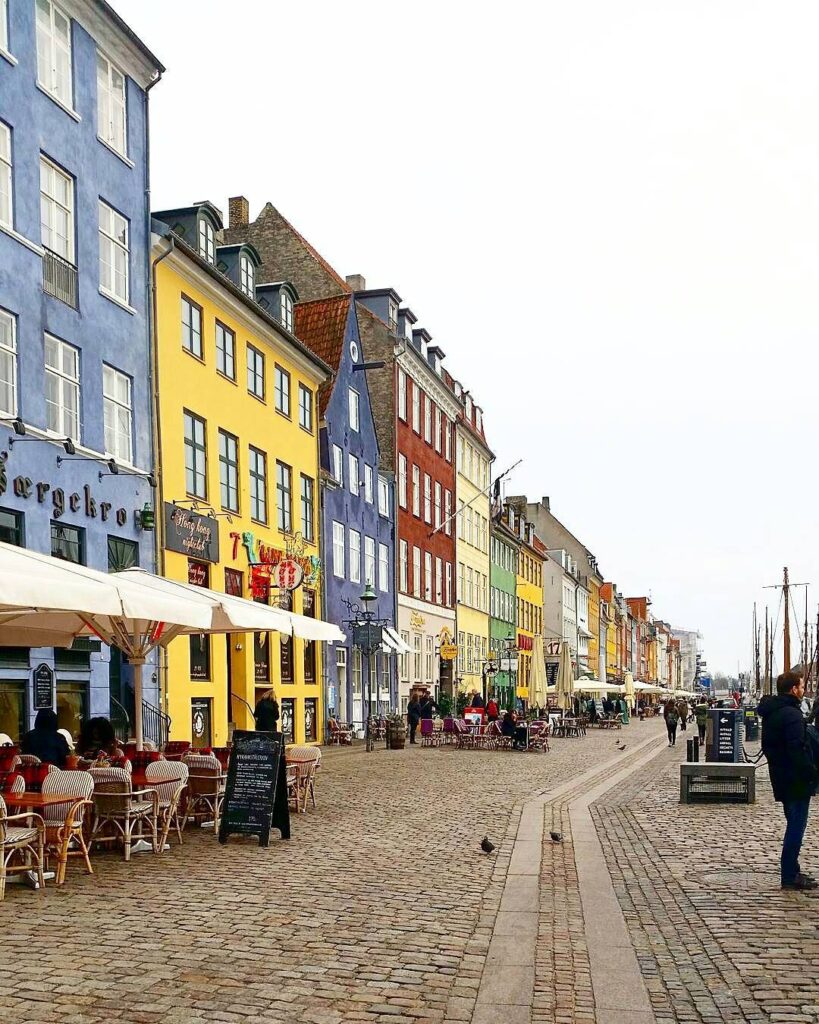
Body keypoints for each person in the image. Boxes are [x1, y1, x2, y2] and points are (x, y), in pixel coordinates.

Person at [759, 672, 818, 891]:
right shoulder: (791, 715)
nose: (803, 690)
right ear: (794, 689)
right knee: (796, 827)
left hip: (782, 776)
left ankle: (792, 870)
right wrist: (811, 772)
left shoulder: (773, 712)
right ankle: (789, 875)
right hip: (795, 779)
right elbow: (797, 748)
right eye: (801, 686)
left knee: (793, 823)